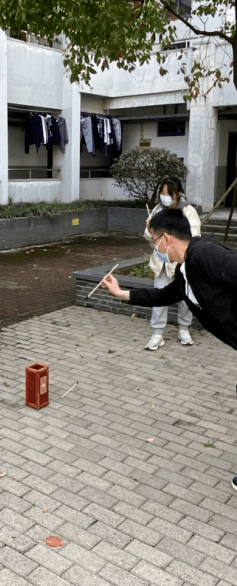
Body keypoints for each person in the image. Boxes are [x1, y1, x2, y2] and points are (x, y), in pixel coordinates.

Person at [101, 207, 237, 490]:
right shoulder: (186, 269)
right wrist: (121, 293)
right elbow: (164, 294)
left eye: (154, 241)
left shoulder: (204, 254)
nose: (155, 248)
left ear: (167, 239)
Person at [143, 177, 201, 350]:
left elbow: (194, 235)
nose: (165, 197)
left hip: (182, 264)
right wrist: (149, 229)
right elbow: (149, 237)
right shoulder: (157, 210)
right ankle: (157, 334)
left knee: (185, 299)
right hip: (162, 262)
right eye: (162, 193)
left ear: (178, 194)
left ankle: (184, 329)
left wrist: (169, 233)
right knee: (159, 297)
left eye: (169, 194)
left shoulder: (189, 211)